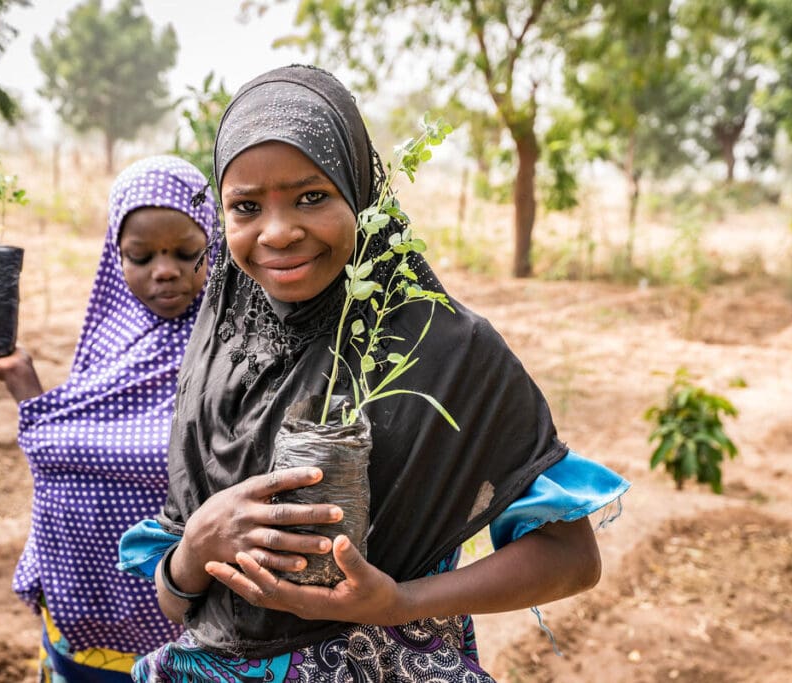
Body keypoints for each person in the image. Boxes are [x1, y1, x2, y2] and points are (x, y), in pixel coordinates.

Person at [119, 65, 630, 682]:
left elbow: (572, 560)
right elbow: (178, 604)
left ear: (359, 192)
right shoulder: (219, 353)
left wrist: (399, 603)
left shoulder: (447, 350)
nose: (278, 232)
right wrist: (195, 547)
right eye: (246, 207)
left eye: (312, 196)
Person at [0, 155, 218, 681]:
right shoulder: (109, 336)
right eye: (140, 257)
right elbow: (71, 437)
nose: (164, 270)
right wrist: (20, 377)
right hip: (77, 612)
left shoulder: (226, 348)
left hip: (177, 631)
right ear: (114, 256)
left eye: (186, 252)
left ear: (215, 241)